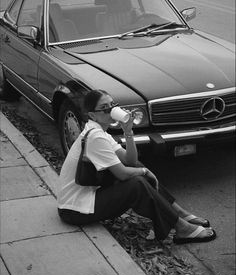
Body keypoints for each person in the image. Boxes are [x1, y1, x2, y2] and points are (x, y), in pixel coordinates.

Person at [57, 89, 216, 244]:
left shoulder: (100, 132)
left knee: (137, 170)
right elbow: (122, 174)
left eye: (113, 104)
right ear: (92, 115)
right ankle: (182, 228)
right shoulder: (96, 136)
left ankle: (180, 213)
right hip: (74, 210)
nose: (111, 110)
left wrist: (128, 131)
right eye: (105, 108)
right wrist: (145, 172)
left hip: (85, 200)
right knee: (136, 184)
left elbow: (131, 160)